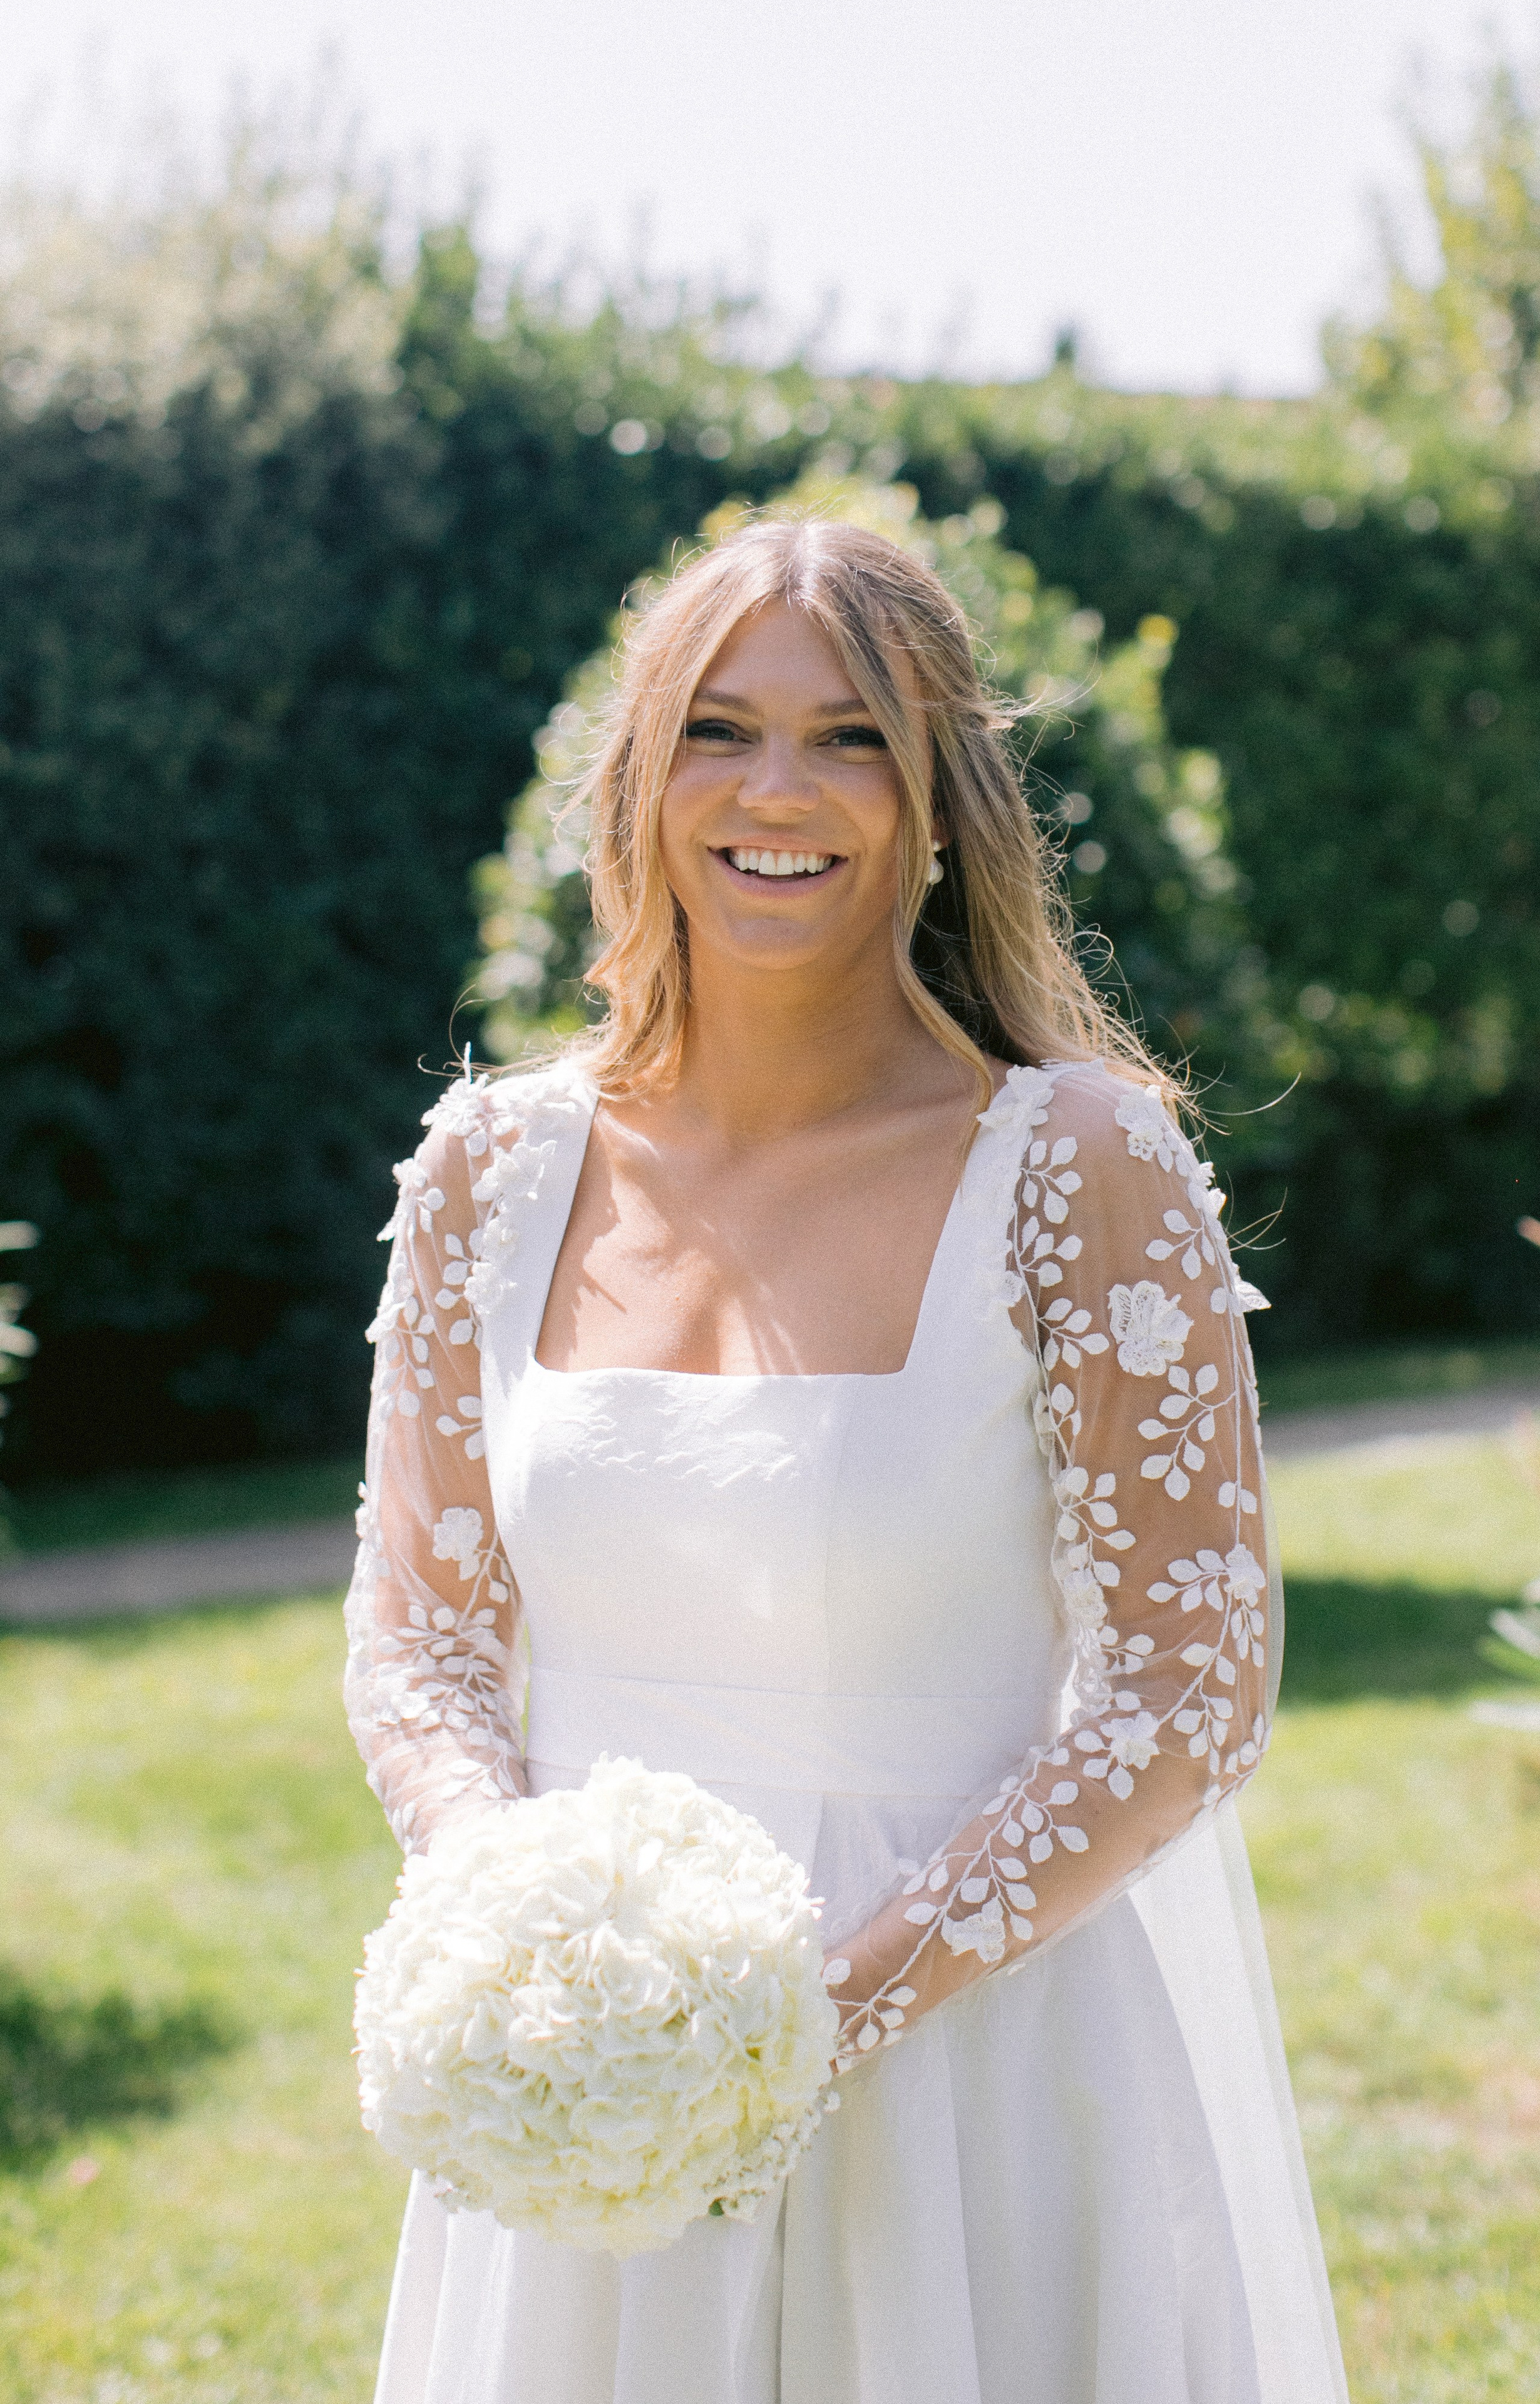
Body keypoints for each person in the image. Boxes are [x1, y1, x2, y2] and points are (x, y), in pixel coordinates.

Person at [343, 516, 1348, 2404]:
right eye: (719, 730)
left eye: (853, 736)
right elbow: (422, 1635)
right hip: (592, 2095)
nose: (778, 791)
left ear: (945, 798)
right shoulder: (490, 1172)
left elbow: (1182, 1694)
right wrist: (543, 1945)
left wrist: (819, 2007)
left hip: (973, 2070)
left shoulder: (1080, 1172)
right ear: (640, 786)